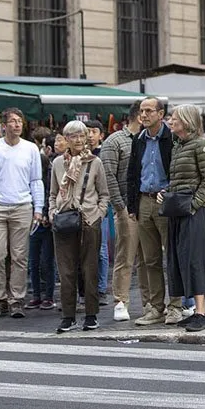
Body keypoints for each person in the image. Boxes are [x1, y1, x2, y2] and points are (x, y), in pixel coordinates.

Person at [0, 107, 44, 318]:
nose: (17, 125)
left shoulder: (31, 148)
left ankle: (16, 300)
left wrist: (38, 208)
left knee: (19, 257)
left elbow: (36, 180)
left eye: (20, 121)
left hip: (22, 206)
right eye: (13, 121)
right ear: (3, 126)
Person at [127, 96, 183, 325]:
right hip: (144, 200)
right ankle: (155, 307)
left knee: (172, 255)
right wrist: (132, 206)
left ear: (161, 114)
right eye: (142, 111)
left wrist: (170, 193)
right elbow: (132, 173)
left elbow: (177, 170)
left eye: (149, 111)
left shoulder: (171, 139)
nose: (144, 115)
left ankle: (176, 306)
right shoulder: (138, 140)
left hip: (164, 200)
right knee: (149, 259)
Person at [49, 121, 110, 332]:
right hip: (64, 220)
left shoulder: (95, 162)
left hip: (89, 220)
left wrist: (99, 213)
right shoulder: (58, 163)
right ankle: (68, 316)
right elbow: (52, 193)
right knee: (66, 272)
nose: (78, 140)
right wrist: (51, 212)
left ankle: (91, 315)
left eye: (82, 136)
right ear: (66, 139)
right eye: (73, 136)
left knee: (89, 269)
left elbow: (104, 194)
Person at [162, 104, 205, 332]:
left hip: (194, 212)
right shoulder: (179, 147)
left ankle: (202, 312)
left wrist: (193, 206)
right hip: (181, 210)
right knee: (182, 258)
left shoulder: (201, 146)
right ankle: (196, 310)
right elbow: (180, 179)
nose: (170, 121)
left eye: (174, 118)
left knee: (195, 260)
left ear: (185, 121)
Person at [100, 101, 147, 322]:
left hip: (147, 205)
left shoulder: (149, 139)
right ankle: (120, 300)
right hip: (126, 206)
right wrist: (120, 206)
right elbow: (108, 175)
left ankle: (151, 302)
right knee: (125, 256)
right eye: (146, 112)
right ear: (139, 116)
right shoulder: (115, 141)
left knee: (150, 257)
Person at [25, 127, 56, 310]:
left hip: (44, 222)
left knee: (45, 261)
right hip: (36, 220)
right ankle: (38, 295)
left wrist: (45, 213)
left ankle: (46, 295)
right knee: (35, 261)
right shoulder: (40, 170)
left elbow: (48, 194)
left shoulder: (48, 172)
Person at [85, 119, 110, 307]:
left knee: (101, 249)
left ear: (101, 135)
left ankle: (101, 288)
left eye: (93, 131)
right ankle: (88, 288)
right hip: (83, 208)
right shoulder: (80, 155)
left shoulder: (103, 154)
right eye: (87, 131)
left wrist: (103, 208)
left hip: (100, 207)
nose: (89, 135)